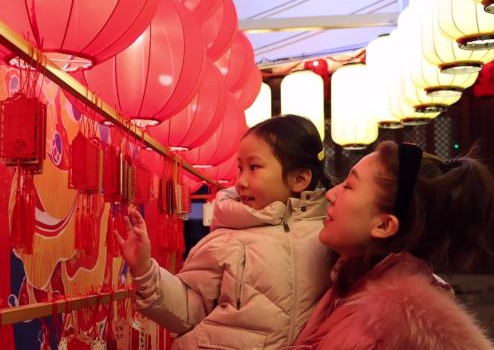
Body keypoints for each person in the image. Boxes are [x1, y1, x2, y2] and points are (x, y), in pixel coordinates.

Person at [115, 115, 333, 349]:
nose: (241, 181)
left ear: (299, 179)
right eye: (240, 168)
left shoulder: (330, 234)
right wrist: (145, 270)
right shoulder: (227, 235)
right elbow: (189, 309)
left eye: (254, 167)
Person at [292, 141, 494, 350]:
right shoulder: (351, 282)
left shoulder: (379, 327)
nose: (330, 194)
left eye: (349, 186)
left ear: (384, 225)